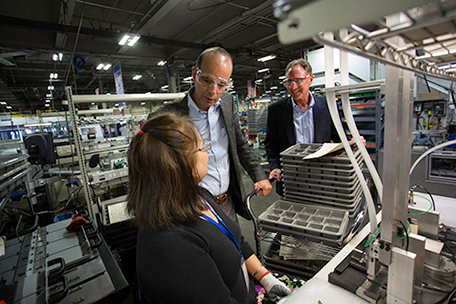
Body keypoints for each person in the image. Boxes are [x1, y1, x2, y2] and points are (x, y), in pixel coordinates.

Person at [127, 112, 291, 303]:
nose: (209, 152)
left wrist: (265, 278)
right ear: (182, 165)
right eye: (203, 147)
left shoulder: (198, 195)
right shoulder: (171, 246)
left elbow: (236, 240)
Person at [155, 47, 272, 223]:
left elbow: (239, 144)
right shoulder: (171, 116)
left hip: (227, 203)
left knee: (236, 248)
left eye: (221, 84)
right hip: (193, 208)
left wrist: (259, 175)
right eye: (206, 80)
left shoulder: (227, 102)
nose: (213, 91)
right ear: (195, 74)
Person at [265, 58, 362, 196]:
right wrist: (275, 167)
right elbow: (271, 144)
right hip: (290, 180)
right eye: (288, 82)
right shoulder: (276, 110)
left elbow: (340, 137)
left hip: (321, 178)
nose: (293, 87)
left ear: (310, 79)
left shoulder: (328, 107)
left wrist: (354, 142)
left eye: (298, 80)